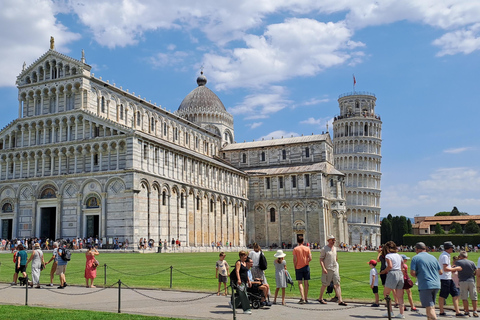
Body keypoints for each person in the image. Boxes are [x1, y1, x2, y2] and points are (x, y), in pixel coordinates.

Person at [410, 242, 443, 320]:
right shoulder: (433, 257)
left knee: (430, 307)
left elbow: (412, 272)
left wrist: (418, 276)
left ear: (417, 249)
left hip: (425, 284)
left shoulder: (416, 258)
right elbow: (440, 272)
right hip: (436, 283)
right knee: (431, 306)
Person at [317, 235, 347, 306]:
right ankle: (320, 298)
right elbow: (321, 259)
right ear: (328, 240)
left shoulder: (335, 248)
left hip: (335, 268)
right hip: (327, 269)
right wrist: (323, 268)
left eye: (334, 240)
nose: (334, 241)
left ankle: (340, 300)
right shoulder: (324, 249)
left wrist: (336, 264)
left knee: (337, 284)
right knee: (325, 284)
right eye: (332, 240)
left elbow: (336, 258)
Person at [379, 241, 405, 319]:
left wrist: (383, 271)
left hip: (392, 273)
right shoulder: (399, 255)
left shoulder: (388, 256)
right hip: (400, 273)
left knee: (386, 293)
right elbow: (402, 266)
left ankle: (390, 311)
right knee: (400, 295)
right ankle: (401, 313)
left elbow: (390, 266)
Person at [438, 241, 464, 317]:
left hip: (448, 278)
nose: (453, 249)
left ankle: (457, 311)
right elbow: (445, 268)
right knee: (443, 295)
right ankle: (441, 311)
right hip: (445, 278)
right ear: (449, 248)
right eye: (452, 248)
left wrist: (452, 268)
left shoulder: (446, 255)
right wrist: (456, 268)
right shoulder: (445, 256)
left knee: (455, 294)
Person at [455, 251, 477, 317]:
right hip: (471, 280)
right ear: (466, 256)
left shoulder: (458, 262)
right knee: (473, 297)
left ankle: (467, 311)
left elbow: (454, 268)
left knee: (464, 297)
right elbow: (476, 271)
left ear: (460, 256)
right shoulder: (471, 262)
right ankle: (475, 311)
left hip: (463, 281)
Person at [292, 235, 312, 304]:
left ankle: (302, 298)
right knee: (306, 283)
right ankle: (306, 298)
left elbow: (294, 259)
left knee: (300, 283)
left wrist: (295, 266)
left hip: (298, 267)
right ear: (303, 241)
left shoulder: (295, 249)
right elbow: (310, 258)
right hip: (306, 266)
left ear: (297, 241)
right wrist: (306, 261)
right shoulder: (307, 248)